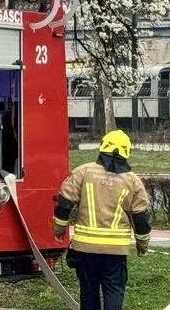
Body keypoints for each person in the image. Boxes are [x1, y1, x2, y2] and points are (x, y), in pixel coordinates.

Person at [53, 130, 151, 310]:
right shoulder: (133, 182)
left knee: (89, 292)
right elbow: (141, 219)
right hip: (116, 252)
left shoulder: (83, 172)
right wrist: (142, 247)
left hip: (85, 249)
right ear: (127, 151)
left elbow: (64, 203)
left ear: (102, 146)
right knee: (114, 290)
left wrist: (59, 230)